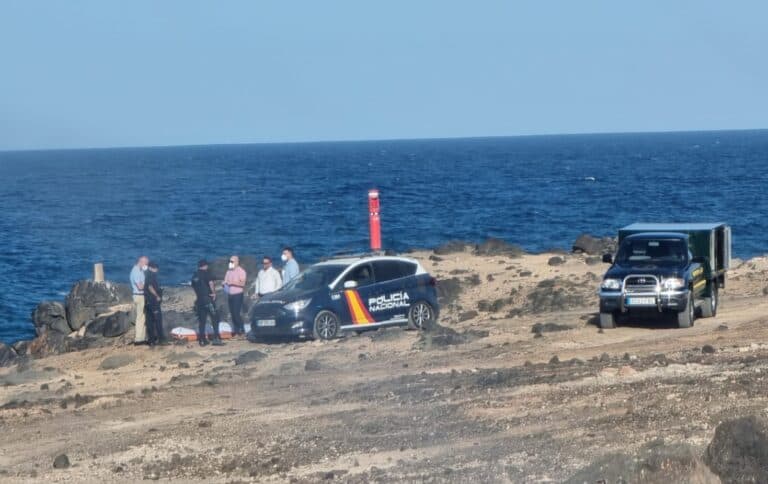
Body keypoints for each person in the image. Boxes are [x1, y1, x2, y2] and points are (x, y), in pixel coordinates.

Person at [191, 259, 223, 347]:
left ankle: (202, 339)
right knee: (215, 317)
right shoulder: (207, 273)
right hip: (208, 299)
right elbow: (211, 283)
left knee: (202, 320)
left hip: (199, 300)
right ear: (205, 266)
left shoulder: (194, 275)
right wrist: (214, 293)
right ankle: (217, 338)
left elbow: (193, 286)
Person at [144, 261, 168, 346]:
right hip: (153, 300)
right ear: (150, 267)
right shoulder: (151, 275)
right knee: (158, 320)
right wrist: (157, 295)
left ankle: (151, 340)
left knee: (149, 320)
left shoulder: (145, 274)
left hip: (147, 301)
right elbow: (150, 287)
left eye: (156, 268)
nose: (156, 270)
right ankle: (161, 339)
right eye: (155, 268)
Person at [224, 255, 247, 336]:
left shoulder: (241, 271)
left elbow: (243, 284)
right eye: (230, 261)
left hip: (238, 294)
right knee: (232, 313)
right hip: (230, 294)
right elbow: (226, 281)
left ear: (237, 262)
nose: (230, 263)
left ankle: (242, 329)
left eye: (232, 261)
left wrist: (233, 283)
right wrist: (224, 284)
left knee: (236, 313)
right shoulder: (228, 271)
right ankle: (236, 331)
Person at [130, 256, 149, 345]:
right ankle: (139, 338)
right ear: (141, 262)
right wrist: (149, 285)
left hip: (139, 296)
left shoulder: (139, 270)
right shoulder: (137, 271)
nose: (146, 265)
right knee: (140, 317)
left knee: (142, 317)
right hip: (139, 296)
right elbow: (140, 287)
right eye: (146, 263)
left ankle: (142, 337)